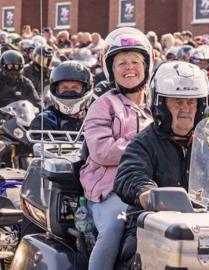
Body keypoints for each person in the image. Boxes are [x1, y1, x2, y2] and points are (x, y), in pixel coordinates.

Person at [114, 61, 209, 269]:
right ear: (161, 105)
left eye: (191, 102)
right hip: (154, 227)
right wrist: (148, 193)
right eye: (177, 102)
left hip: (207, 226)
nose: (185, 109)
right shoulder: (145, 141)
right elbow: (129, 174)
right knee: (130, 255)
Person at [79, 27, 153, 270]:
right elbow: (101, 151)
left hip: (150, 186)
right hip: (110, 190)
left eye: (135, 61)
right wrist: (142, 145)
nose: (129, 67)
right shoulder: (104, 105)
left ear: (147, 66)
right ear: (111, 69)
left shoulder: (158, 106)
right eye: (121, 62)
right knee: (114, 227)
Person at [30, 60, 92, 131]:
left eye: (75, 87)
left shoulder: (95, 118)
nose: (69, 92)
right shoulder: (44, 120)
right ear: (55, 89)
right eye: (64, 88)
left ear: (86, 89)